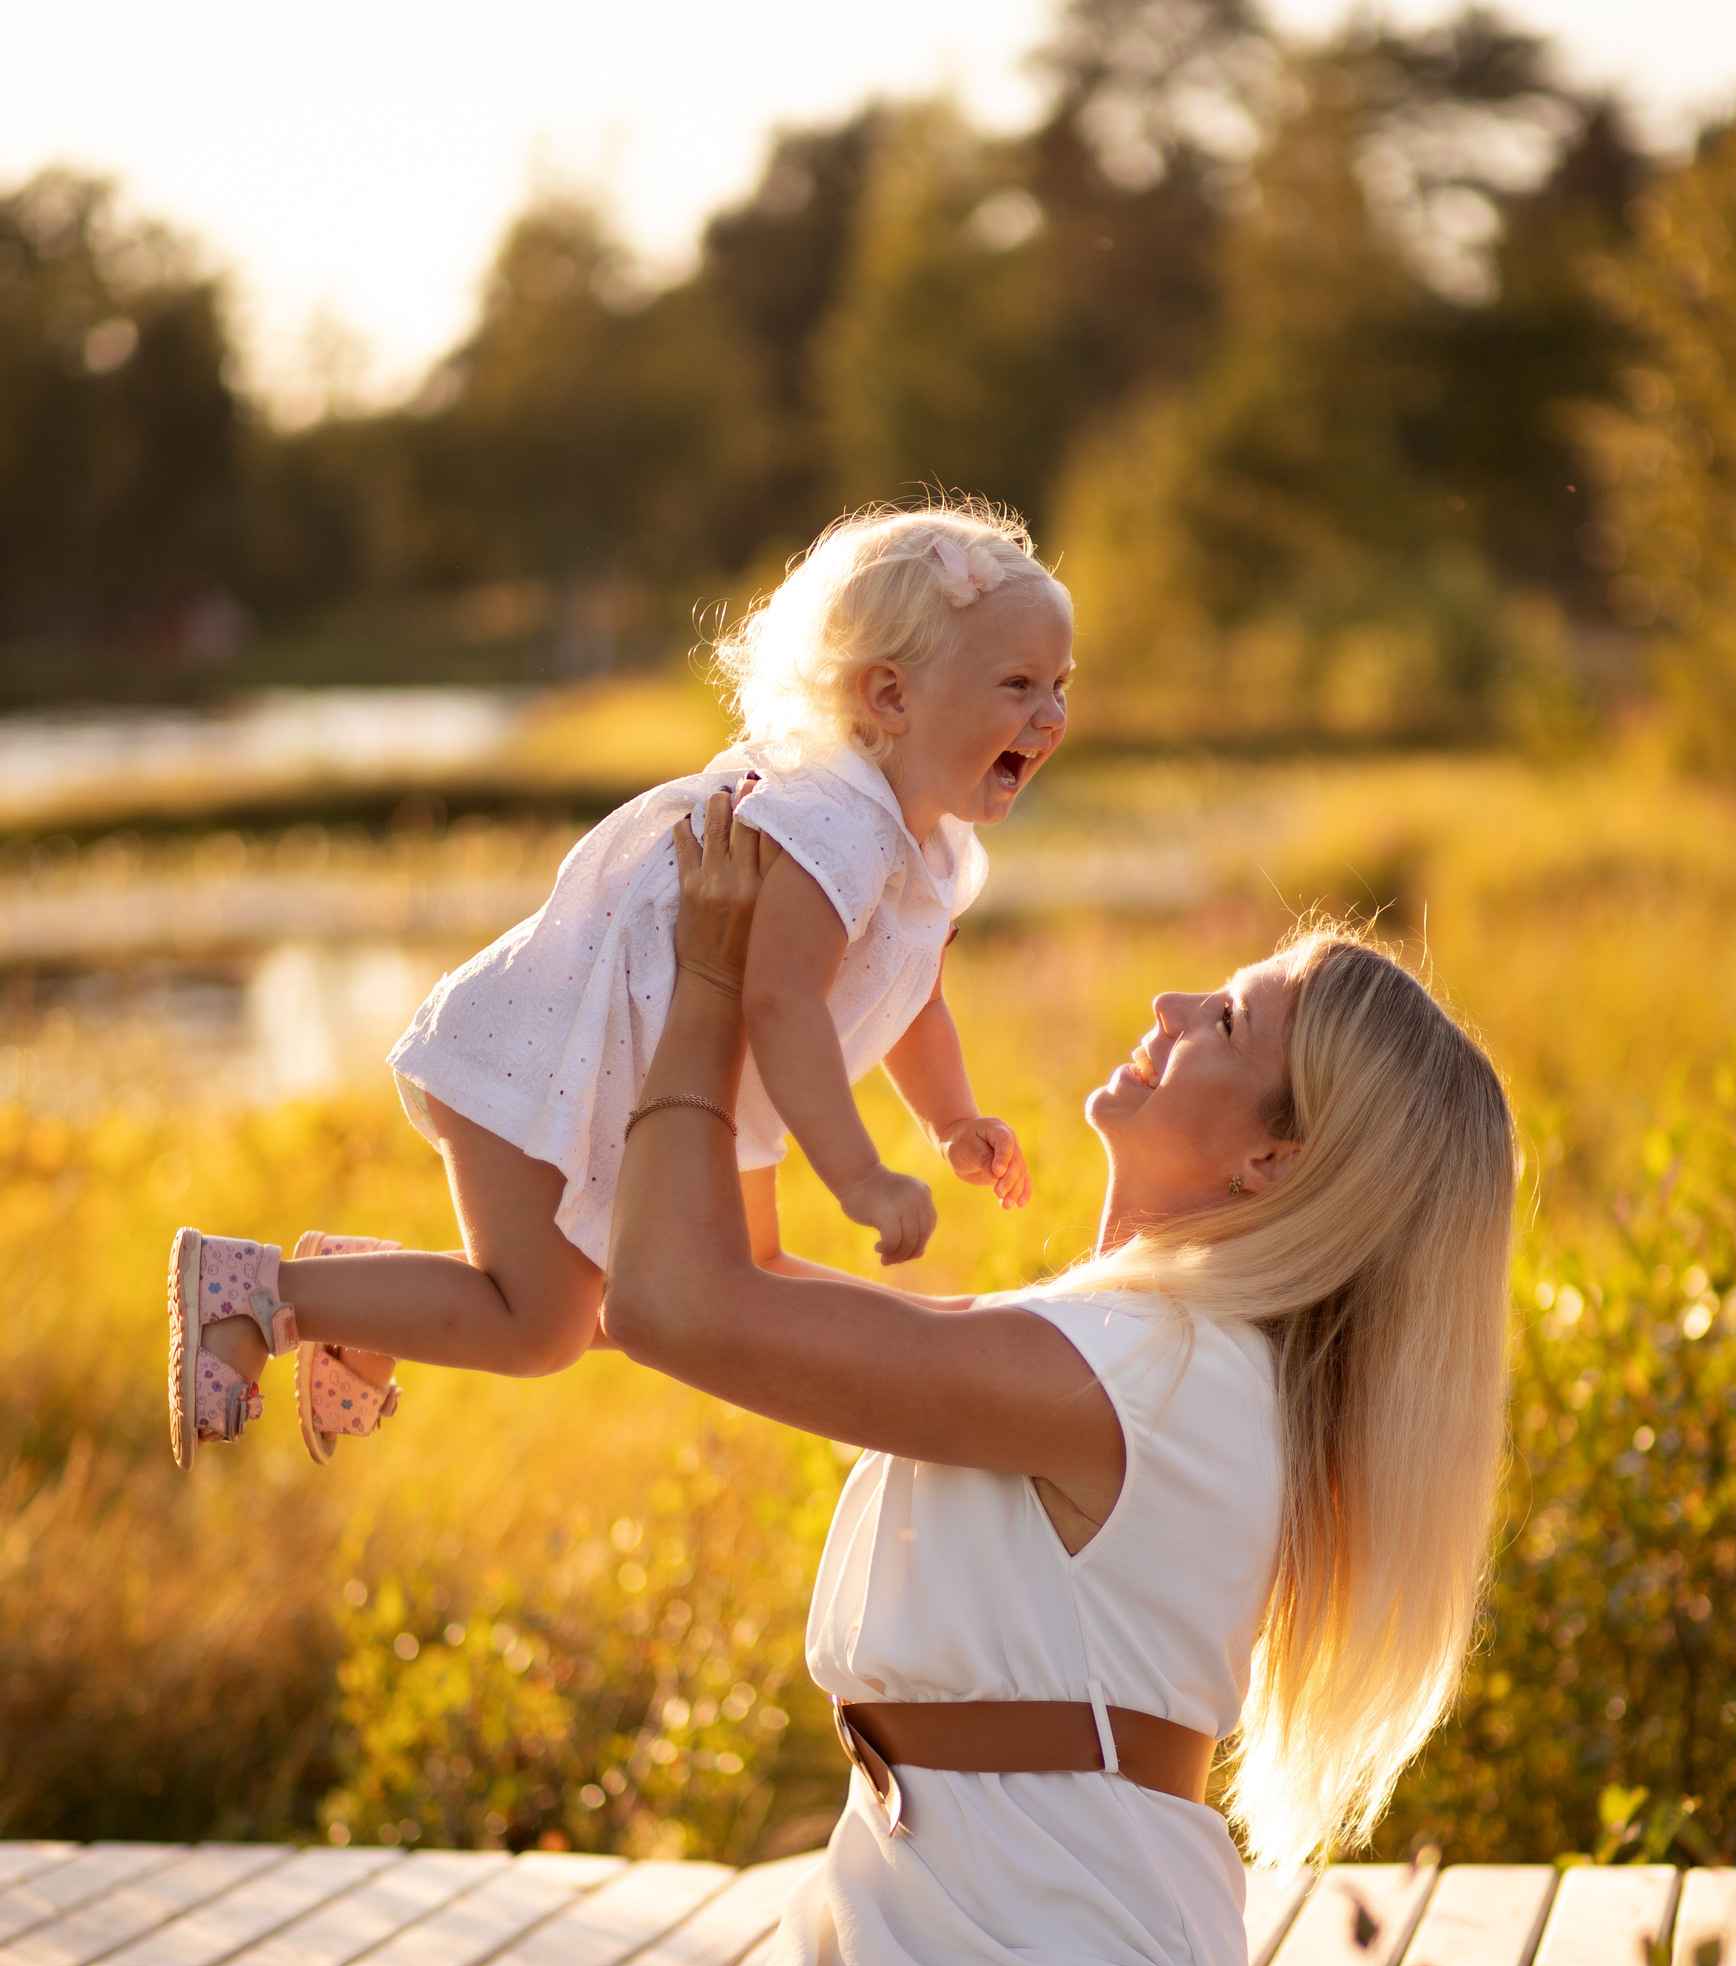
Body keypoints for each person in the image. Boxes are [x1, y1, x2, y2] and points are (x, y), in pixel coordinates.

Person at [318, 793, 1518, 1966]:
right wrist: (739, 997)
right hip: (872, 1956)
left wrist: (723, 983)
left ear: (1273, 1160)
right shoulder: (1078, 1330)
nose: (1178, 1006)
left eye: (1231, 1022)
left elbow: (680, 1309)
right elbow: (733, 1278)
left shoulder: (1166, 1371)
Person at [165, 501, 1069, 1471]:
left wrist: (951, 1119)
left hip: (679, 1086)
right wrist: (858, 1173)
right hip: (555, 1059)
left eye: (1060, 684)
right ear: (888, 698)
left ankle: (363, 1301)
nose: (1049, 715)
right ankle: (248, 1290)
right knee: (542, 1326)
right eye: (1017, 684)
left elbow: (916, 996)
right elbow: (779, 1002)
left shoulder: (933, 846)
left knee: (728, 1290)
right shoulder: (832, 824)